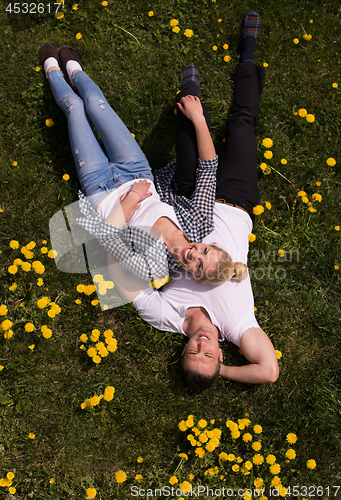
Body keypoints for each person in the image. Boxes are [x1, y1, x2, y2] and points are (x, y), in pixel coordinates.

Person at [105, 11, 279, 390]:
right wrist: (225, 371)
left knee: (190, 151)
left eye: (194, 353)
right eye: (211, 356)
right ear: (221, 355)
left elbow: (125, 282)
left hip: (189, 203)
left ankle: (190, 95)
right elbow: (268, 371)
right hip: (234, 199)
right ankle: (247, 52)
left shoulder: (173, 318)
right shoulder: (237, 326)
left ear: (184, 351)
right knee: (242, 123)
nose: (203, 346)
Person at [39, 42, 246, 289]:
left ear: (195, 277)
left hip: (100, 189)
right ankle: (75, 70)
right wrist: (199, 119)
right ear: (209, 245)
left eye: (199, 266)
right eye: (204, 252)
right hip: (135, 169)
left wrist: (133, 198)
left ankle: (51, 70)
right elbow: (208, 172)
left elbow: (106, 238)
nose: (195, 254)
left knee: (74, 108)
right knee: (95, 102)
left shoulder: (153, 268)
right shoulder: (198, 222)